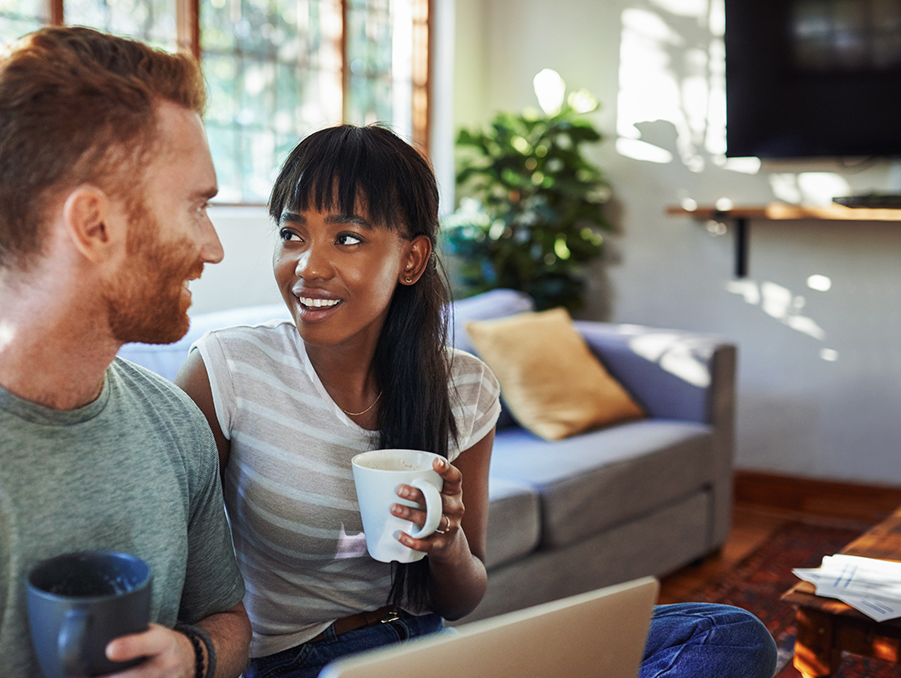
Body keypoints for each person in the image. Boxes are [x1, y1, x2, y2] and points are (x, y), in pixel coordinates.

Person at [175, 124, 778, 678]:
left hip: (433, 651)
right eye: (291, 234)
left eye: (348, 237)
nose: (308, 265)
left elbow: (462, 601)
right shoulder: (230, 369)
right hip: (302, 663)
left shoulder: (462, 386)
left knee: (724, 634)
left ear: (410, 259)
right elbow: (175, 569)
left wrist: (448, 545)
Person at [0, 27, 250, 678]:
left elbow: (226, 622)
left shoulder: (175, 425)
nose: (213, 246)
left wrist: (191, 658)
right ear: (93, 226)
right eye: (195, 207)